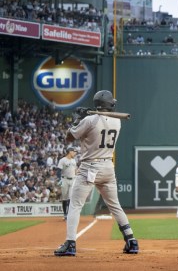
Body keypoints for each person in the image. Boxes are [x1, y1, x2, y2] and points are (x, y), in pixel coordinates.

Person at [54, 90, 139, 256]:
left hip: (89, 167)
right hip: (108, 167)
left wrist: (78, 119)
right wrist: (84, 119)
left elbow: (69, 137)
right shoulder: (117, 121)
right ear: (109, 104)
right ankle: (131, 241)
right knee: (115, 206)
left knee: (75, 205)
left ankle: (70, 243)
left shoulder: (89, 120)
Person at [56, 146, 77, 220]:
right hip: (64, 180)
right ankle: (65, 214)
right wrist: (59, 180)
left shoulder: (74, 160)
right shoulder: (62, 160)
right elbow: (58, 171)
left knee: (71, 197)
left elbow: (75, 171)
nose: (75, 153)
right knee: (64, 198)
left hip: (73, 180)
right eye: (73, 152)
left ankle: (70, 214)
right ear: (70, 152)